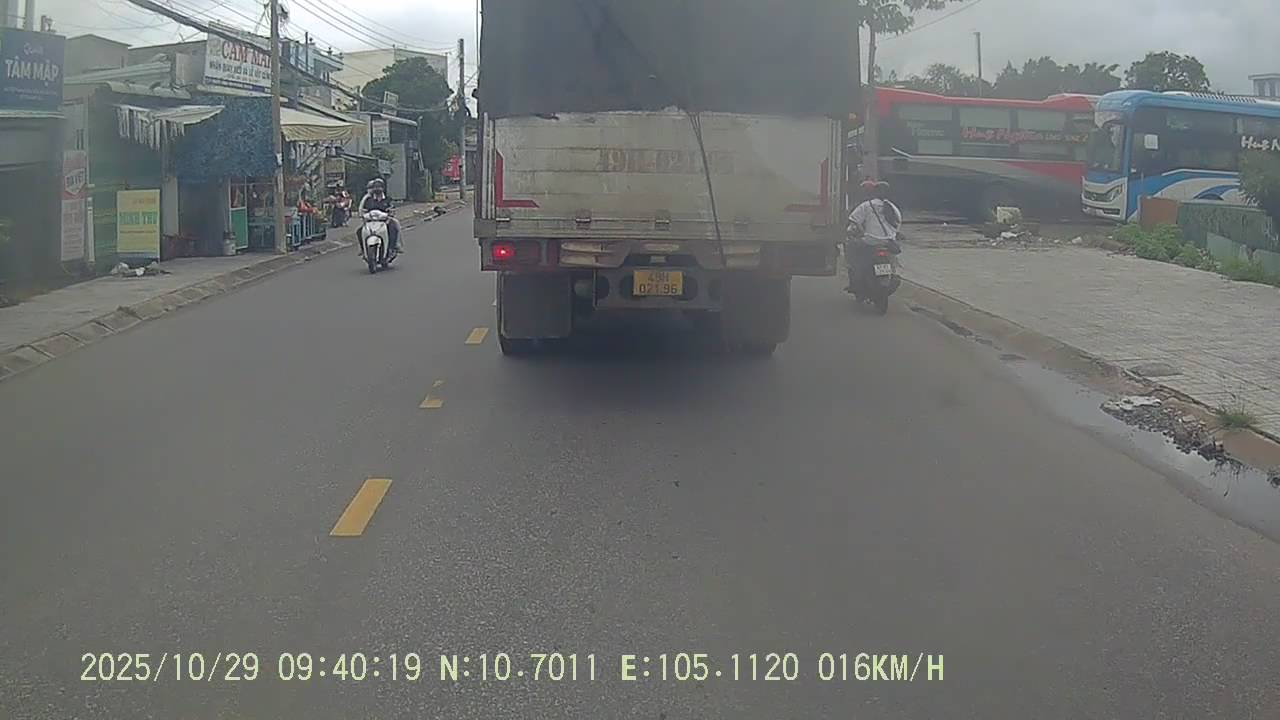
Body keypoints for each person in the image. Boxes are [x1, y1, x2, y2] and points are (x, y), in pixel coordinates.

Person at [844, 179, 902, 292]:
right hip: (889, 242)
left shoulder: (866, 205)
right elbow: (898, 223)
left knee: (852, 249)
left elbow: (853, 221)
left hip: (870, 240)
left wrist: (850, 232)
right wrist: (894, 234)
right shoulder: (892, 207)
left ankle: (855, 278)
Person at [357, 178, 402, 254]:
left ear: (383, 188)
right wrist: (363, 216)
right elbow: (363, 210)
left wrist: (390, 214)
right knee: (359, 231)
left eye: (379, 186)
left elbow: (392, 209)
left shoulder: (387, 199)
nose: (377, 189)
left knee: (393, 228)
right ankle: (363, 249)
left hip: (385, 221)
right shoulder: (369, 200)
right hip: (371, 222)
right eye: (375, 187)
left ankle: (393, 247)